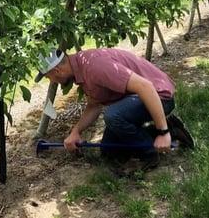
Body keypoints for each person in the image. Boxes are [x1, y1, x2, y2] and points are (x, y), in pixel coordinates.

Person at [34, 47, 194, 173]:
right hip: (142, 97)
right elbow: (94, 106)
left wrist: (162, 133)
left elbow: (146, 87)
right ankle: (174, 130)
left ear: (57, 71)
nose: (52, 81)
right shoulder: (82, 69)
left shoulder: (94, 67)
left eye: (49, 77)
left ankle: (149, 154)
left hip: (159, 97)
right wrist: (76, 131)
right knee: (109, 150)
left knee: (112, 116)